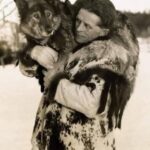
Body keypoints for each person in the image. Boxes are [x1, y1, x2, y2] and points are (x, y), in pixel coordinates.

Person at [19, 0, 139, 149]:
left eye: (87, 25)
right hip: (51, 139)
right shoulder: (73, 44)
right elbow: (33, 70)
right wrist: (33, 53)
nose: (79, 28)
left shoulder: (112, 57)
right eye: (78, 21)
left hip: (83, 143)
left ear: (104, 31)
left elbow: (92, 103)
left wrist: (55, 82)